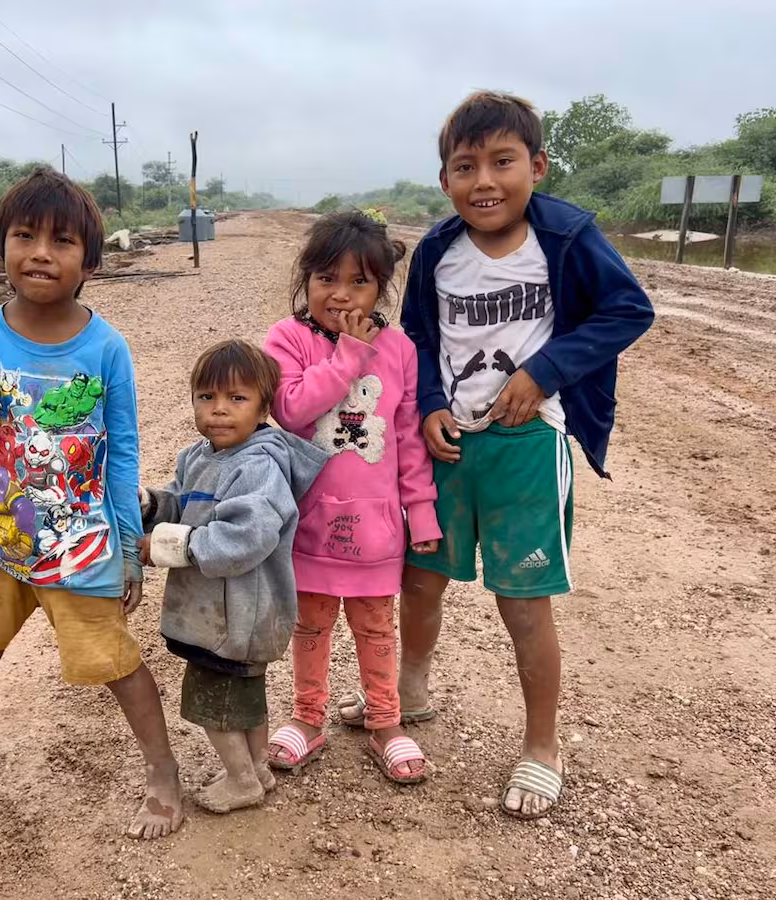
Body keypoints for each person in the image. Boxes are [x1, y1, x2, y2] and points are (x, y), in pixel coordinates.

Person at [338, 90, 655, 818]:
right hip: (449, 449)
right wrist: (425, 408)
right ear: (445, 179)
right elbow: (417, 337)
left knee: (522, 603)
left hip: (527, 447)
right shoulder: (440, 253)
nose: (485, 181)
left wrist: (544, 371)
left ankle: (542, 745)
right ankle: (407, 692)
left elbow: (628, 310)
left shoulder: (568, 237)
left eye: (503, 162)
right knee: (420, 582)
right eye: (465, 166)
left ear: (537, 166)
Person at [0, 167, 182, 841]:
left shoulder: (106, 348)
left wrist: (126, 552)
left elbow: (120, 456)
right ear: (1, 248)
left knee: (115, 660)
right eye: (23, 236)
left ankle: (163, 773)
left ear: (89, 261)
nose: (39, 253)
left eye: (61, 241)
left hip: (80, 544)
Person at [262, 211, 443, 785]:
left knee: (376, 627)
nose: (340, 294)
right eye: (325, 278)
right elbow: (291, 408)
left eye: (359, 281)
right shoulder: (286, 339)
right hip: (309, 521)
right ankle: (307, 717)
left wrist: (421, 511)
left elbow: (410, 438)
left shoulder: (401, 349)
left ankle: (386, 722)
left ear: (381, 286)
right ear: (306, 279)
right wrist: (346, 356)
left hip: (376, 526)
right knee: (310, 625)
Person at [139, 339, 327, 814]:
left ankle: (241, 779)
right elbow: (185, 503)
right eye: (207, 397)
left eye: (236, 399)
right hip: (219, 610)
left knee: (214, 700)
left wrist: (167, 546)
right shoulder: (199, 456)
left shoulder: (259, 465)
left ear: (264, 406)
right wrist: (154, 507)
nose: (219, 411)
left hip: (237, 615)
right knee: (244, 695)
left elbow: (248, 536)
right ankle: (258, 767)